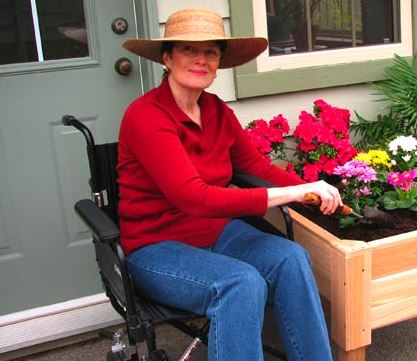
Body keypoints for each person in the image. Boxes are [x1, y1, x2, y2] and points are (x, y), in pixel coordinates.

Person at [118, 7, 338, 361]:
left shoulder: (217, 110)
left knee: (292, 258)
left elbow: (255, 166)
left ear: (219, 61)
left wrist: (313, 189)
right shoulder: (145, 117)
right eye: (189, 49)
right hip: (157, 246)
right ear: (167, 57)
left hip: (217, 233)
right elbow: (193, 198)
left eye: (211, 51)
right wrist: (289, 194)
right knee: (240, 284)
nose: (201, 59)